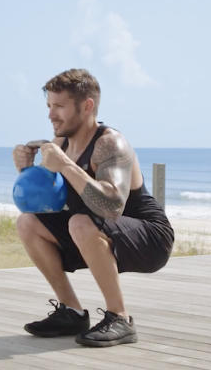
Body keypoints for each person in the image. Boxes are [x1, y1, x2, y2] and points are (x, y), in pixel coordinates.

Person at [12, 68, 174, 347]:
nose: (51, 115)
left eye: (59, 106)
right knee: (27, 222)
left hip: (150, 238)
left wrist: (65, 165)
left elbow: (112, 206)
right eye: (49, 106)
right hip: (91, 230)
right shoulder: (61, 142)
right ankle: (71, 312)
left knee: (80, 222)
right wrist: (26, 171)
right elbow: (47, 203)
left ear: (87, 106)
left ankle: (120, 318)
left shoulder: (111, 143)